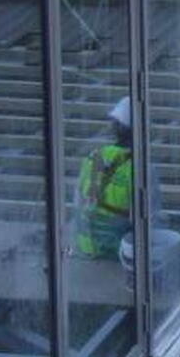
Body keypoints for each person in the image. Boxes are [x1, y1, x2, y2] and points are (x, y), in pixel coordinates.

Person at [75, 96, 136, 259]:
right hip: (118, 251)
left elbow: (78, 201)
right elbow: (151, 215)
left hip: (88, 246)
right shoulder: (140, 166)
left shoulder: (93, 157)